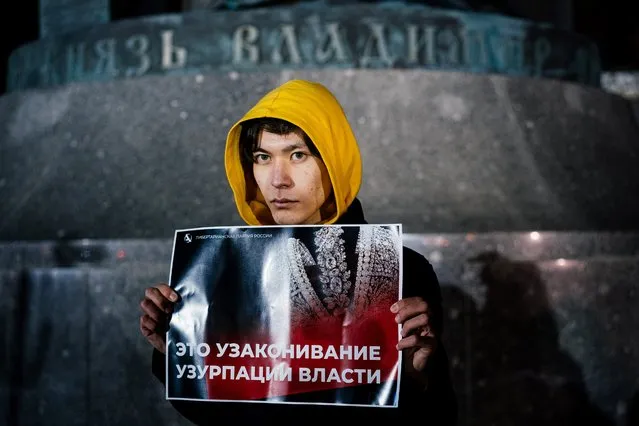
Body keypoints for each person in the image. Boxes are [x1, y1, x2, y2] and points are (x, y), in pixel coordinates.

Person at [139, 79, 458, 425]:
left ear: (334, 159)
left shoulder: (404, 270)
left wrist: (416, 378)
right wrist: (176, 351)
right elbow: (221, 414)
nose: (278, 179)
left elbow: (438, 417)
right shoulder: (225, 272)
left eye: (297, 155)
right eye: (263, 157)